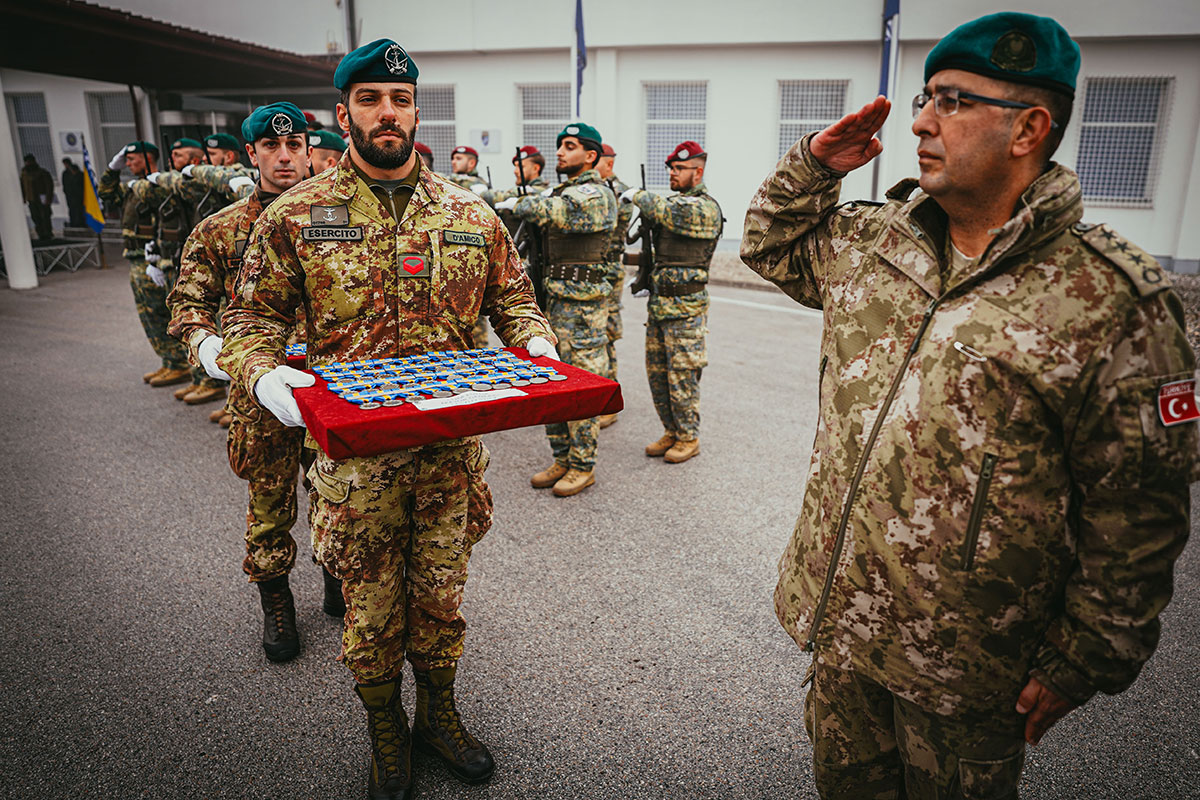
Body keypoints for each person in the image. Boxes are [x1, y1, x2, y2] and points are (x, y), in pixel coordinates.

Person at [739, 13, 1197, 799]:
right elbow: (768, 246)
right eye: (927, 97)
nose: (920, 121)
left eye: (951, 101)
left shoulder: (1108, 300)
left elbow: (1138, 512)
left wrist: (1083, 659)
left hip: (966, 670)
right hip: (844, 629)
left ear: (1029, 128)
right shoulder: (874, 243)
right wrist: (814, 167)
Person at [217, 39, 557, 799]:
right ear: (344, 115)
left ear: (415, 111)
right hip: (357, 463)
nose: (387, 112)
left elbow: (514, 298)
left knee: (440, 597)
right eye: (370, 99)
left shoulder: (470, 211)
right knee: (369, 612)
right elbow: (248, 320)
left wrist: (533, 337)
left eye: (400, 99)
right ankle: (385, 731)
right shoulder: (298, 214)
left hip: (447, 455)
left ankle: (438, 714)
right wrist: (265, 375)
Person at [167, 102, 335, 663]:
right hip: (260, 391)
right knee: (269, 498)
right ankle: (277, 598)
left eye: (295, 146)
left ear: (310, 149)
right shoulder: (221, 230)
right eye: (272, 147)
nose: (285, 157)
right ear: (252, 154)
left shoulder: (338, 220)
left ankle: (336, 576)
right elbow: (188, 305)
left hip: (329, 387)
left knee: (340, 491)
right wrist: (208, 347)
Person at [497, 123, 617, 496]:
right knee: (549, 381)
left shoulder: (595, 194)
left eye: (570, 146)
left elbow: (556, 211)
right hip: (550, 300)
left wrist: (517, 203)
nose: (561, 153)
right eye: (560, 147)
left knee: (578, 384)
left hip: (581, 309)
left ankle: (583, 466)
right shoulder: (558, 190)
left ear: (591, 156)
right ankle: (562, 457)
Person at [621, 141, 721, 463]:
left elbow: (667, 212)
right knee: (659, 377)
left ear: (698, 171)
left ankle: (689, 437)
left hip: (686, 311)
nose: (673, 174)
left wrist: (636, 194)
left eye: (679, 168)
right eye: (671, 168)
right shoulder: (671, 204)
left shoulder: (705, 208)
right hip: (660, 309)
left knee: (682, 377)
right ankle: (672, 430)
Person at [136, 137, 228, 407]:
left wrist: (192, 170)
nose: (171, 162)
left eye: (178, 156)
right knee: (186, 322)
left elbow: (175, 184)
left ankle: (214, 384)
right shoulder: (189, 181)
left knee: (222, 329)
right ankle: (194, 375)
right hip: (179, 258)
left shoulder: (209, 182)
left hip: (217, 266)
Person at [98, 141, 191, 387]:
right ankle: (170, 361)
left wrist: (158, 256)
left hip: (155, 258)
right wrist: (112, 168)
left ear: (148, 157)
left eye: (132, 159)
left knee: (164, 313)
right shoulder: (131, 187)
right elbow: (106, 194)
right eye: (125, 160)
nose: (128, 164)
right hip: (137, 257)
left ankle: (181, 363)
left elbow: (167, 219)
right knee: (149, 315)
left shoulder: (158, 184)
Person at [595, 142, 631, 427]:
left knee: (606, 333)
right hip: (593, 269)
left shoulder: (619, 192)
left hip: (609, 270)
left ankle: (610, 398)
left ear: (609, 164)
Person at [20, 154, 54, 242]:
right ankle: (41, 233)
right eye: (26, 162)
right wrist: (23, 197)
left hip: (42, 198)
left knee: (45, 216)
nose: (28, 164)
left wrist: (48, 198)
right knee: (35, 216)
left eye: (29, 162)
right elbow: (22, 187)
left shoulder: (43, 173)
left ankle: (48, 233)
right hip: (31, 199)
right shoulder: (24, 174)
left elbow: (49, 186)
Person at [61, 157, 86, 228]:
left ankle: (80, 222)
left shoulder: (80, 175)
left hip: (78, 196)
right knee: (72, 209)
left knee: (79, 210)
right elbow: (65, 184)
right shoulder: (65, 173)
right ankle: (74, 222)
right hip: (70, 195)